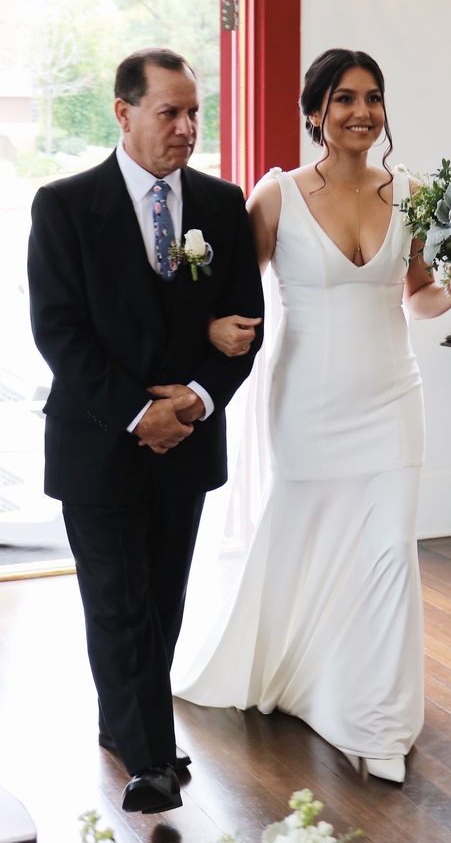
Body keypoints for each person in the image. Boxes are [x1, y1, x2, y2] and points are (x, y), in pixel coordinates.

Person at [173, 48, 451, 784]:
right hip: (308, 404)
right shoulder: (276, 196)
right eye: (344, 98)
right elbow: (230, 293)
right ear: (315, 112)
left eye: (372, 98)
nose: (361, 112)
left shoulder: (412, 193)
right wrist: (204, 334)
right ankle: (300, 673)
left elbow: (417, 297)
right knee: (308, 542)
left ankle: (377, 721)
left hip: (392, 399)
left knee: (389, 553)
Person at [27, 48, 264, 814]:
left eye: (196, 112)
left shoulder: (222, 205)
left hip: (187, 442)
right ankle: (154, 762)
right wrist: (140, 411)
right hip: (97, 441)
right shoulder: (63, 206)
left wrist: (194, 399)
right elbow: (61, 334)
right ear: (123, 113)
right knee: (117, 602)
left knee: (161, 598)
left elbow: (244, 327)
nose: (188, 127)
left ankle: (124, 725)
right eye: (171, 112)